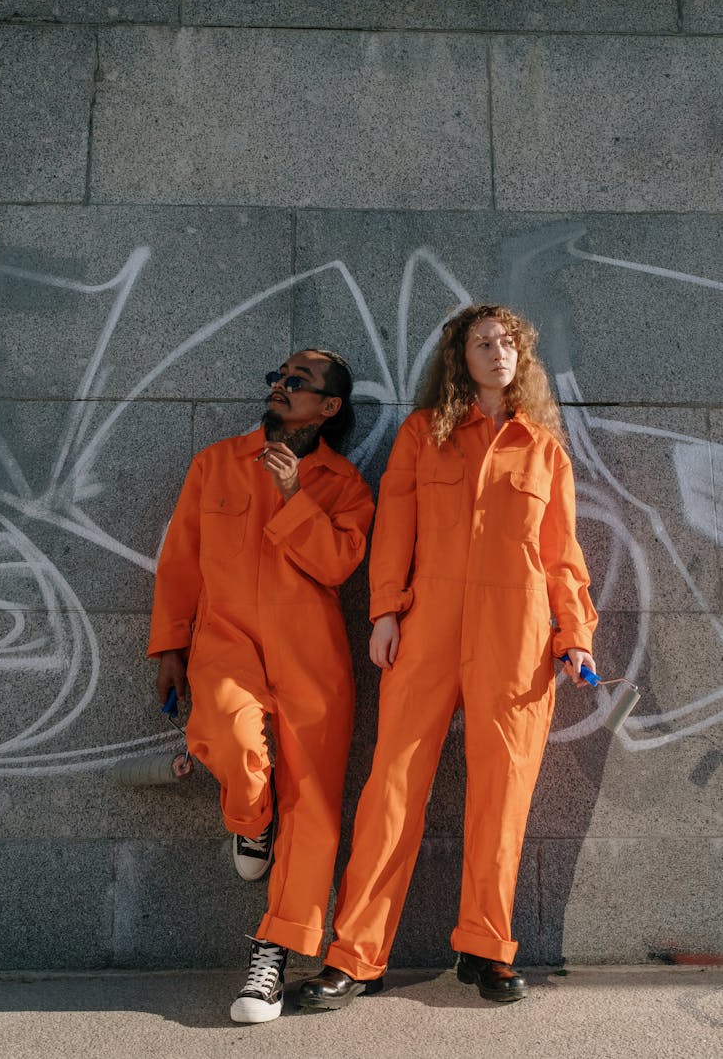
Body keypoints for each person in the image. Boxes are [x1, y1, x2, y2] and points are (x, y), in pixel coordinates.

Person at [299, 305, 598, 1010]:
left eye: (508, 343)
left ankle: (487, 948)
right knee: (392, 787)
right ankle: (355, 955)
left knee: (503, 794)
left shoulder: (544, 449)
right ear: (459, 358)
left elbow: (560, 553)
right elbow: (395, 529)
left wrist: (574, 632)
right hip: (427, 626)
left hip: (517, 634)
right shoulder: (421, 434)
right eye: (482, 343)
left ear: (523, 357)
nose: (498, 353)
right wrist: (383, 613)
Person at [148, 349, 374, 1024]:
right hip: (226, 643)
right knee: (229, 734)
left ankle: (274, 954)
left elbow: (337, 565)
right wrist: (169, 645)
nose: (279, 386)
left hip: (313, 656)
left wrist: (294, 497)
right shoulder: (217, 460)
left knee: (315, 807)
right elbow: (181, 556)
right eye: (275, 376)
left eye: (297, 382)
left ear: (328, 407)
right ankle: (251, 821)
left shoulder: (345, 483)